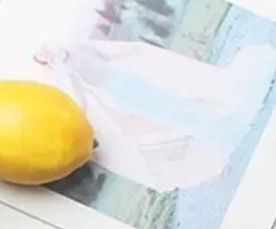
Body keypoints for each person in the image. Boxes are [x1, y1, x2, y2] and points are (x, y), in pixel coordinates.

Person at [34, 39, 276, 191]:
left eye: (46, 50)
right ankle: (215, 126)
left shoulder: (76, 51)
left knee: (174, 106)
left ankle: (218, 123)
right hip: (121, 91)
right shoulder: (70, 69)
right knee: (171, 111)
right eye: (44, 54)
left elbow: (108, 59)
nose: (48, 52)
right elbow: (85, 99)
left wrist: (139, 57)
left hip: (124, 82)